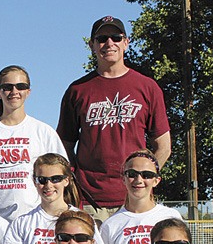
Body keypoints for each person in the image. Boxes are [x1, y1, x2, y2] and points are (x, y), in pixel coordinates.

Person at [57, 16, 171, 222]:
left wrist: (144, 178)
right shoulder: (77, 90)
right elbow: (64, 143)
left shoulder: (148, 87)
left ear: (126, 43)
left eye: (116, 37)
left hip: (135, 201)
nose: (109, 43)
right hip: (89, 200)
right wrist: (75, 179)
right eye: (102, 38)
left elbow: (163, 145)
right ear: (92, 45)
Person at [0, 65, 67, 222]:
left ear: (28, 91)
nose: (14, 91)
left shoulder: (43, 131)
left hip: (35, 220)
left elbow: (61, 177)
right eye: (7, 87)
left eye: (21, 86)